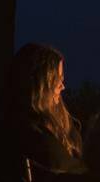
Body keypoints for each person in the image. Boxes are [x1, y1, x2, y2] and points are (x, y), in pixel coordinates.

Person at [6, 42, 85, 174]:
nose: (63, 86)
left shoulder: (62, 124)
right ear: (42, 84)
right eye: (58, 79)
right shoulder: (35, 137)